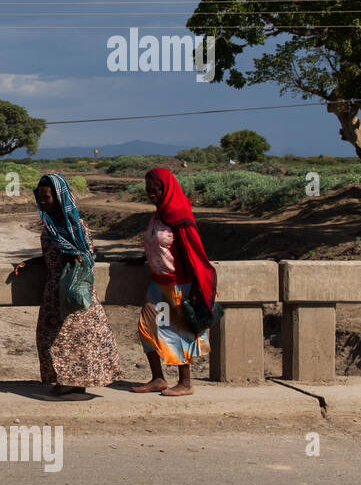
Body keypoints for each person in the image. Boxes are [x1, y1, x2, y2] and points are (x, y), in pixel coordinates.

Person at [13, 174, 122, 396]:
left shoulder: (75, 225)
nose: (43, 202)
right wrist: (32, 262)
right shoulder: (50, 225)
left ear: (60, 197)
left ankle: (71, 381)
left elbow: (86, 255)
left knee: (73, 338)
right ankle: (69, 380)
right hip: (55, 289)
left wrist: (76, 259)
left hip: (72, 290)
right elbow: (55, 254)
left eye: (47, 198)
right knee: (51, 337)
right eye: (41, 198)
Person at [131, 167, 218, 396]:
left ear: (167, 189)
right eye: (148, 190)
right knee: (148, 329)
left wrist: (198, 287)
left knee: (178, 333)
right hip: (157, 283)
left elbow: (193, 252)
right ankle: (158, 378)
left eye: (156, 189)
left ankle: (185, 383)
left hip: (178, 284)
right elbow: (158, 245)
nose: (152, 194)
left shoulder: (179, 215)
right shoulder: (158, 214)